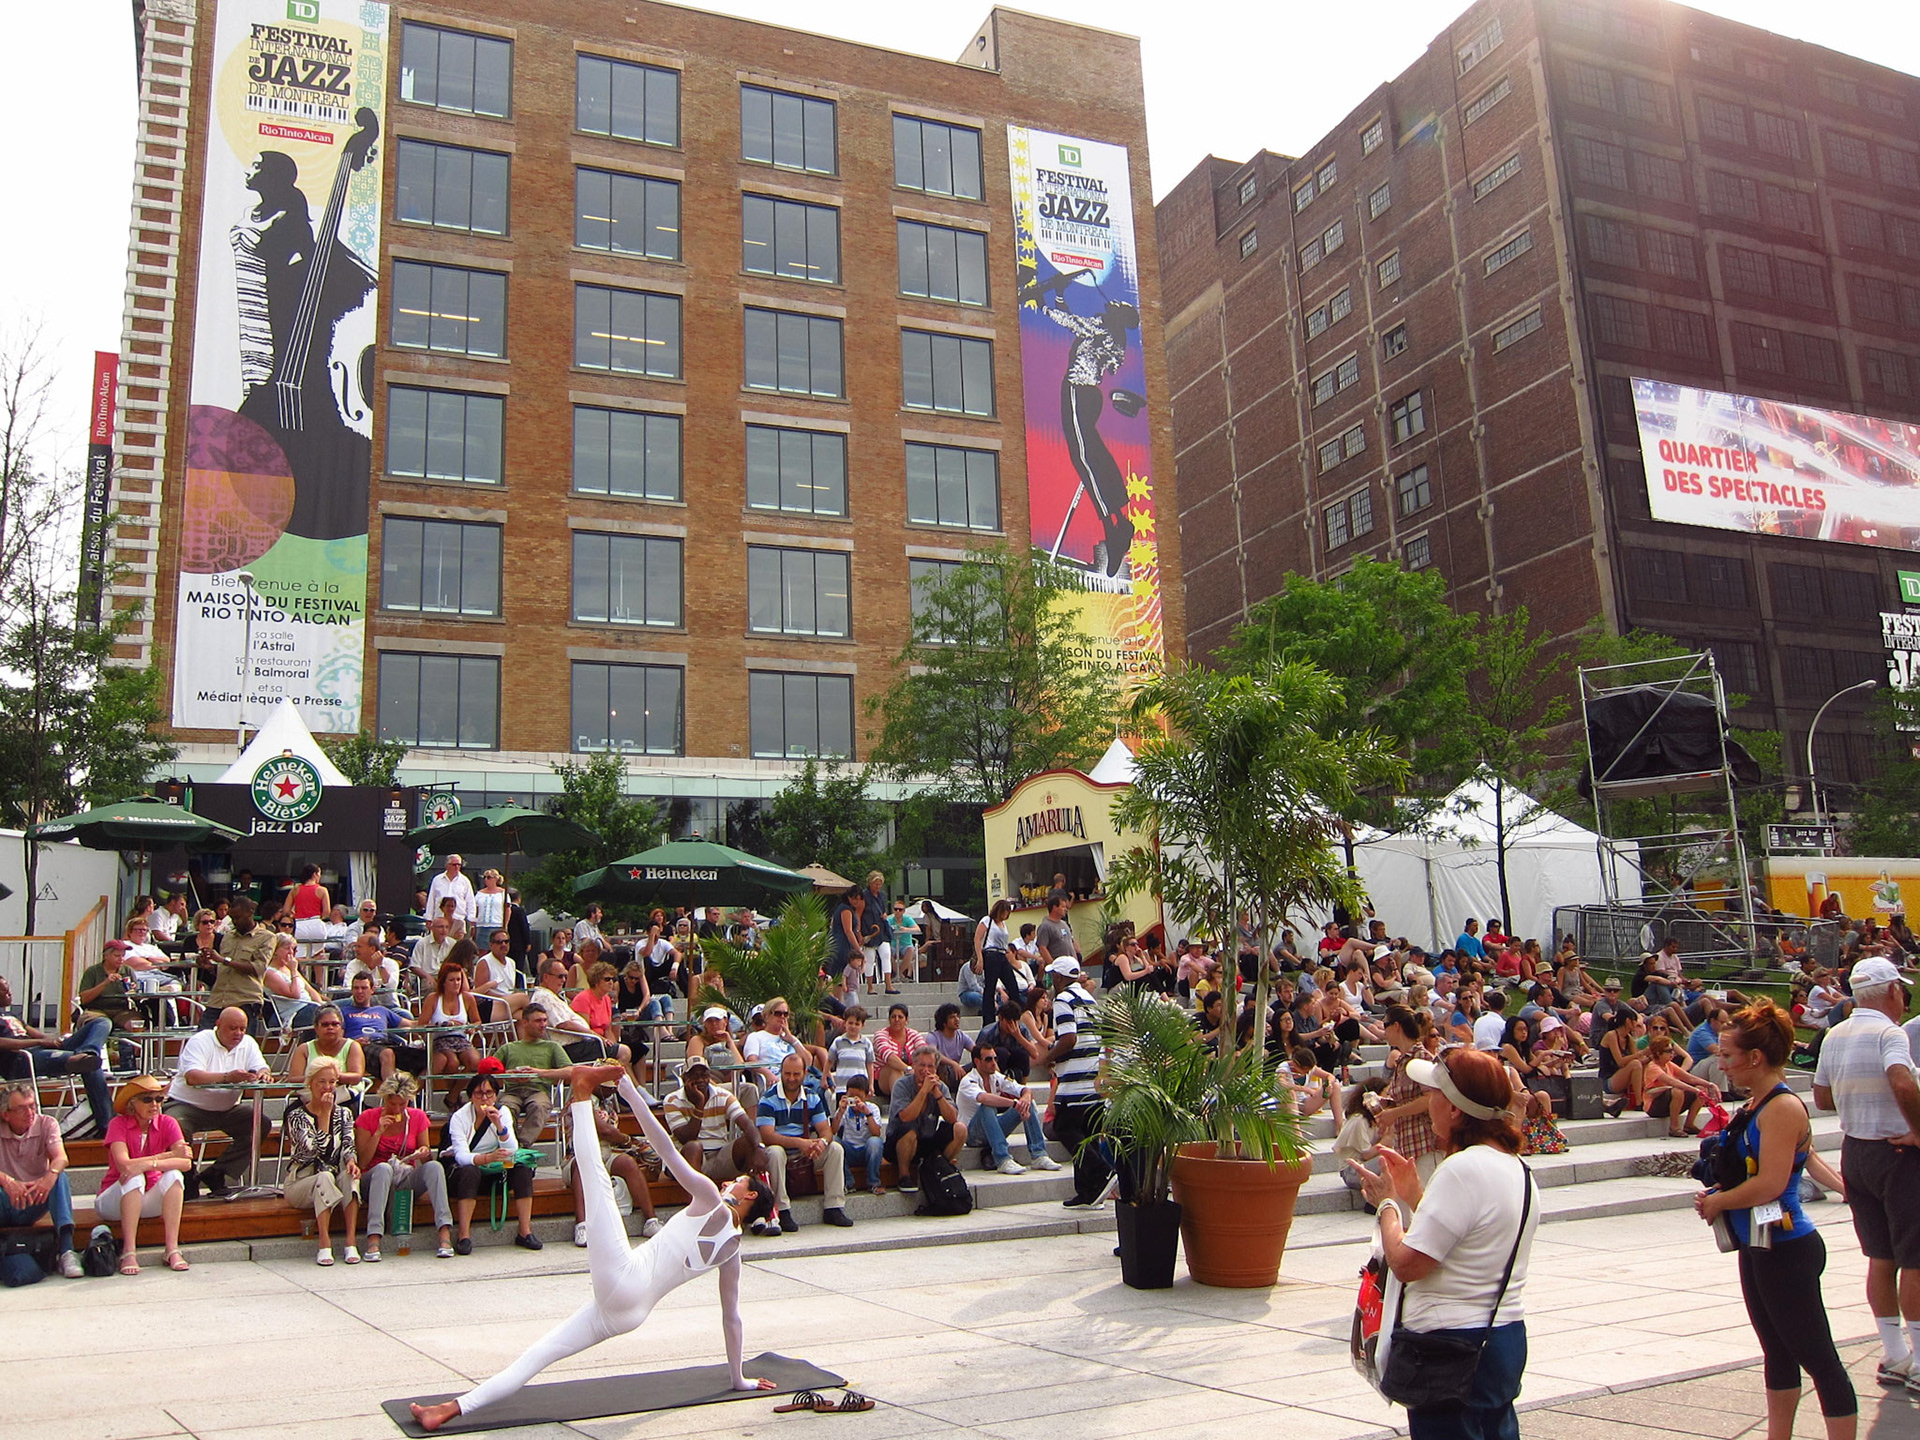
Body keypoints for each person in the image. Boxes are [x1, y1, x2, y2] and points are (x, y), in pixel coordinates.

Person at [411, 1064, 779, 1432]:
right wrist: (738, 1379)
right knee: (538, 1354)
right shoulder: (733, 1252)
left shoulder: (711, 1199)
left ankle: (582, 1094)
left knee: (595, 1175)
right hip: (629, 1311)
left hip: (626, 1279)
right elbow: (731, 1319)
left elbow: (665, 1148)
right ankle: (450, 1408)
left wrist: (631, 1093)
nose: (729, 1180)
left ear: (748, 1194)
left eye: (738, 1180)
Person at [1350, 1047, 1540, 1440]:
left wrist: (1387, 1203)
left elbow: (1408, 1263)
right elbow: (1472, 1239)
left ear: (1455, 1109)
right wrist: (1417, 1198)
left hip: (1450, 1346)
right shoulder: (1516, 1168)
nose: (1428, 1101)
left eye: (1434, 1092)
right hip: (1500, 1336)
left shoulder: (1461, 1169)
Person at [1696, 999, 1857, 1440]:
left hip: (1787, 1245)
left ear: (1755, 1058)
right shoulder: (1757, 1104)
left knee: (1818, 1356)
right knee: (1777, 1351)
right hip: (1761, 1243)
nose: (1722, 1065)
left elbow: (1770, 1184)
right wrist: (1718, 1192)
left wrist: (1720, 1202)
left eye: (1728, 1057)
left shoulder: (1782, 1108)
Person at [1813, 956, 1920, 1391]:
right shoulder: (1889, 1033)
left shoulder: (1836, 1033)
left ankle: (1894, 1353)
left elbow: (1821, 1097)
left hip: (1854, 1151)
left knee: (1881, 1255)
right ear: (1893, 991)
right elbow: (1902, 1082)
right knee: (1915, 1257)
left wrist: (1859, 1101)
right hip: (1896, 1152)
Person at [165, 1006, 270, 1198]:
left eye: (242, 1028)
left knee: (260, 1123)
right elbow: (193, 1077)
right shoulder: (201, 1041)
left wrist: (263, 1074)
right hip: (187, 1105)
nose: (238, 1033)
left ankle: (217, 1172)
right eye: (233, 1028)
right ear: (218, 1025)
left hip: (227, 1109)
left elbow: (262, 1066)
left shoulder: (248, 1043)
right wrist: (227, 1077)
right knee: (174, 1123)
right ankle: (187, 1177)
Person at [96, 1074, 192, 1275]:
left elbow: (185, 1162)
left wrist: (150, 1163)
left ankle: (172, 1249)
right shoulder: (118, 1124)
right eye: (147, 1099)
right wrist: (166, 1155)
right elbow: (125, 1166)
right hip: (114, 1199)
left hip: (148, 1197)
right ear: (132, 1103)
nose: (155, 1104)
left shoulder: (168, 1122)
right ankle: (129, 1251)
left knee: (174, 1175)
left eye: (159, 1099)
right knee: (134, 1178)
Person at [0, 975, 114, 1139]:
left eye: (9, 988)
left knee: (101, 1023)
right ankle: (107, 1125)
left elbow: (39, 1035)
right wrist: (40, 1042)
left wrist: (59, 1040)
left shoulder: (12, 1015)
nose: (9, 993)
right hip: (22, 1059)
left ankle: (87, 1051)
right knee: (88, 1064)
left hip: (42, 1050)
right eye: (4, 990)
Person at [356, 1073, 455, 1261]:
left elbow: (426, 1158)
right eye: (393, 1104)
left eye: (403, 1104)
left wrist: (424, 1153)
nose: (397, 1109)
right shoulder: (367, 1118)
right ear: (385, 1100)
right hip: (375, 1177)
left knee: (434, 1167)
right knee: (384, 1169)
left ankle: (444, 1233)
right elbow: (362, 1162)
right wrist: (378, 1133)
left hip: (405, 1174)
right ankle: (374, 1237)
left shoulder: (417, 1117)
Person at [445, 1071, 540, 1255]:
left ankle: (525, 1231)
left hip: (495, 1170)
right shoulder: (459, 1117)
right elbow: (461, 1156)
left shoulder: (502, 1111)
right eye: (479, 1094)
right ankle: (464, 1235)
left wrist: (499, 1125)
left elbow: (511, 1147)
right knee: (469, 1171)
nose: (485, 1098)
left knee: (522, 1168)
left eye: (489, 1093)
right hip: (468, 1172)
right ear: (471, 1096)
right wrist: (487, 1158)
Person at [0, 1079, 85, 1278]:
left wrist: (49, 1177)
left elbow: (61, 1158)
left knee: (59, 1177)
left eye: (32, 1106)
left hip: (33, 1196)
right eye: (21, 1109)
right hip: (4, 1198)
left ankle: (66, 1251)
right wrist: (7, 1181)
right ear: (6, 1114)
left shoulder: (47, 1123)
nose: (30, 1113)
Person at [566, 1078, 664, 1249]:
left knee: (628, 1163)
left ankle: (651, 1220)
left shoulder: (609, 1104)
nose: (612, 1091)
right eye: (607, 1087)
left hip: (606, 1153)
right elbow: (604, 1131)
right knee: (583, 1165)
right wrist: (629, 1141)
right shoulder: (580, 1099)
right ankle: (582, 1225)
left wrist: (633, 1145)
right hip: (578, 1154)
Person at [758, 1052, 851, 1230]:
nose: (791, 1079)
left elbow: (826, 1130)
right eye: (787, 1074)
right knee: (775, 1153)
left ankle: (834, 1206)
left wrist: (821, 1143)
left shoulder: (812, 1097)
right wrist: (800, 1143)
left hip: (805, 1152)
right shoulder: (768, 1099)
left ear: (805, 1074)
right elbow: (767, 1136)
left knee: (835, 1149)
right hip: (782, 1153)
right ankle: (782, 1209)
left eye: (796, 1074)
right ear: (781, 1073)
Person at [282, 1059, 361, 1265]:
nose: (327, 1087)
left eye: (332, 1082)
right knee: (325, 1176)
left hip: (334, 1176)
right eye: (321, 1082)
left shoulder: (344, 1113)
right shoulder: (296, 1115)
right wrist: (324, 1116)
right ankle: (324, 1244)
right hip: (302, 1181)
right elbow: (312, 1152)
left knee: (350, 1177)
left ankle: (350, 1242)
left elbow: (348, 1143)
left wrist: (351, 1161)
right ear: (310, 1084)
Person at [1047, 956, 1109, 1207]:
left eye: (1053, 976)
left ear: (1060, 978)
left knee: (1065, 1128)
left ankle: (1101, 1170)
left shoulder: (1062, 1000)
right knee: (1088, 1134)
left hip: (1074, 1080)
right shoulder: (1089, 998)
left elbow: (1069, 1038)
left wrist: (1048, 1057)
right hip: (1091, 1076)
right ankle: (1088, 1192)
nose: (1052, 980)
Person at [664, 1054, 767, 1195]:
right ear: (685, 1078)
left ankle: (755, 1204)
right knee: (694, 1146)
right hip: (690, 1159)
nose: (700, 1080)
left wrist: (759, 1147)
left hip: (719, 1155)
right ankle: (698, 1204)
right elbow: (686, 1137)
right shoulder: (672, 1100)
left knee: (749, 1141)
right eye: (694, 1076)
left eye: (704, 1075)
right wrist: (699, 1105)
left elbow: (747, 1124)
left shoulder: (723, 1095)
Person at [958, 1043, 1060, 1176]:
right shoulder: (968, 1081)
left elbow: (1023, 1088)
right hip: (972, 1134)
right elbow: (984, 1098)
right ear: (977, 1061)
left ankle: (1039, 1155)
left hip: (992, 1128)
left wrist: (1026, 1098)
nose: (994, 1063)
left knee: (1029, 1103)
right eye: (989, 1059)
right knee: (987, 1107)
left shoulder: (996, 1076)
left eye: (995, 1058)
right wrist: (1014, 1103)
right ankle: (1003, 1159)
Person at [883, 1045, 964, 1190]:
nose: (925, 1070)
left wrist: (937, 1094)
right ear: (913, 1065)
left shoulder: (941, 1087)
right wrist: (924, 1091)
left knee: (960, 1129)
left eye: (930, 1066)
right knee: (909, 1129)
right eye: (921, 1065)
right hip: (898, 1142)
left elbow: (952, 1118)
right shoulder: (902, 1085)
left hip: (927, 1139)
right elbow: (906, 1116)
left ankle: (939, 1167)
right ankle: (904, 1176)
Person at [494, 1006, 576, 1149]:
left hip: (538, 1091)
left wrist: (539, 1073)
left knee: (539, 1107)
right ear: (525, 1023)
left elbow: (570, 1071)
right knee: (505, 1109)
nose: (543, 1024)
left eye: (545, 1020)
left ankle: (520, 1147)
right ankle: (510, 1143)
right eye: (538, 1021)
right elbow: (488, 1071)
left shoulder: (552, 1047)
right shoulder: (509, 1048)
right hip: (512, 1091)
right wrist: (510, 1074)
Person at [203, 898, 272, 1035]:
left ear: (250, 913)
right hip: (218, 999)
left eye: (238, 917)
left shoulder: (266, 937)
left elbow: (258, 968)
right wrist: (209, 966)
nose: (235, 922)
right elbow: (224, 969)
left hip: (244, 1000)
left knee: (242, 1046)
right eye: (232, 918)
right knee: (202, 1040)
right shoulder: (228, 937)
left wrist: (224, 960)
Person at [287, 1004, 370, 1108]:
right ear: (316, 1028)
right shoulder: (304, 1049)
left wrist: (329, 1077)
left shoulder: (352, 1046)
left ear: (342, 1028)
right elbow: (293, 1079)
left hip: (345, 1099)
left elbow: (356, 1077)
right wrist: (319, 1080)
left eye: (335, 1024)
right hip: (311, 1099)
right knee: (290, 1113)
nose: (330, 1028)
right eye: (325, 1024)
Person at [834, 1074, 887, 1195]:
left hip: (866, 1150)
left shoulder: (873, 1108)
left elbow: (876, 1133)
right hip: (850, 1150)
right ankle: (848, 1182)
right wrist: (840, 1112)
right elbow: (833, 1130)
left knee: (875, 1142)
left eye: (858, 1097)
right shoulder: (845, 1110)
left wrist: (867, 1114)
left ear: (866, 1096)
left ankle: (873, 1182)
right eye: (851, 1096)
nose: (854, 1100)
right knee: (834, 1142)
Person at [974, 900, 1020, 1017]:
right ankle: (988, 1018)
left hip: (1002, 954)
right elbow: (978, 939)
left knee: (1013, 986)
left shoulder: (1004, 925)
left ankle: (1014, 1015)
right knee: (990, 988)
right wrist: (980, 958)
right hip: (991, 954)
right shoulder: (987, 920)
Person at [426, 854, 476, 930]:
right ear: (447, 865)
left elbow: (470, 901)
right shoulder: (437, 879)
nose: (457, 867)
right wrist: (429, 918)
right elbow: (431, 900)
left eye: (459, 865)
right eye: (454, 865)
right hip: (440, 918)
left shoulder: (465, 881)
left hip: (458, 919)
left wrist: (471, 919)